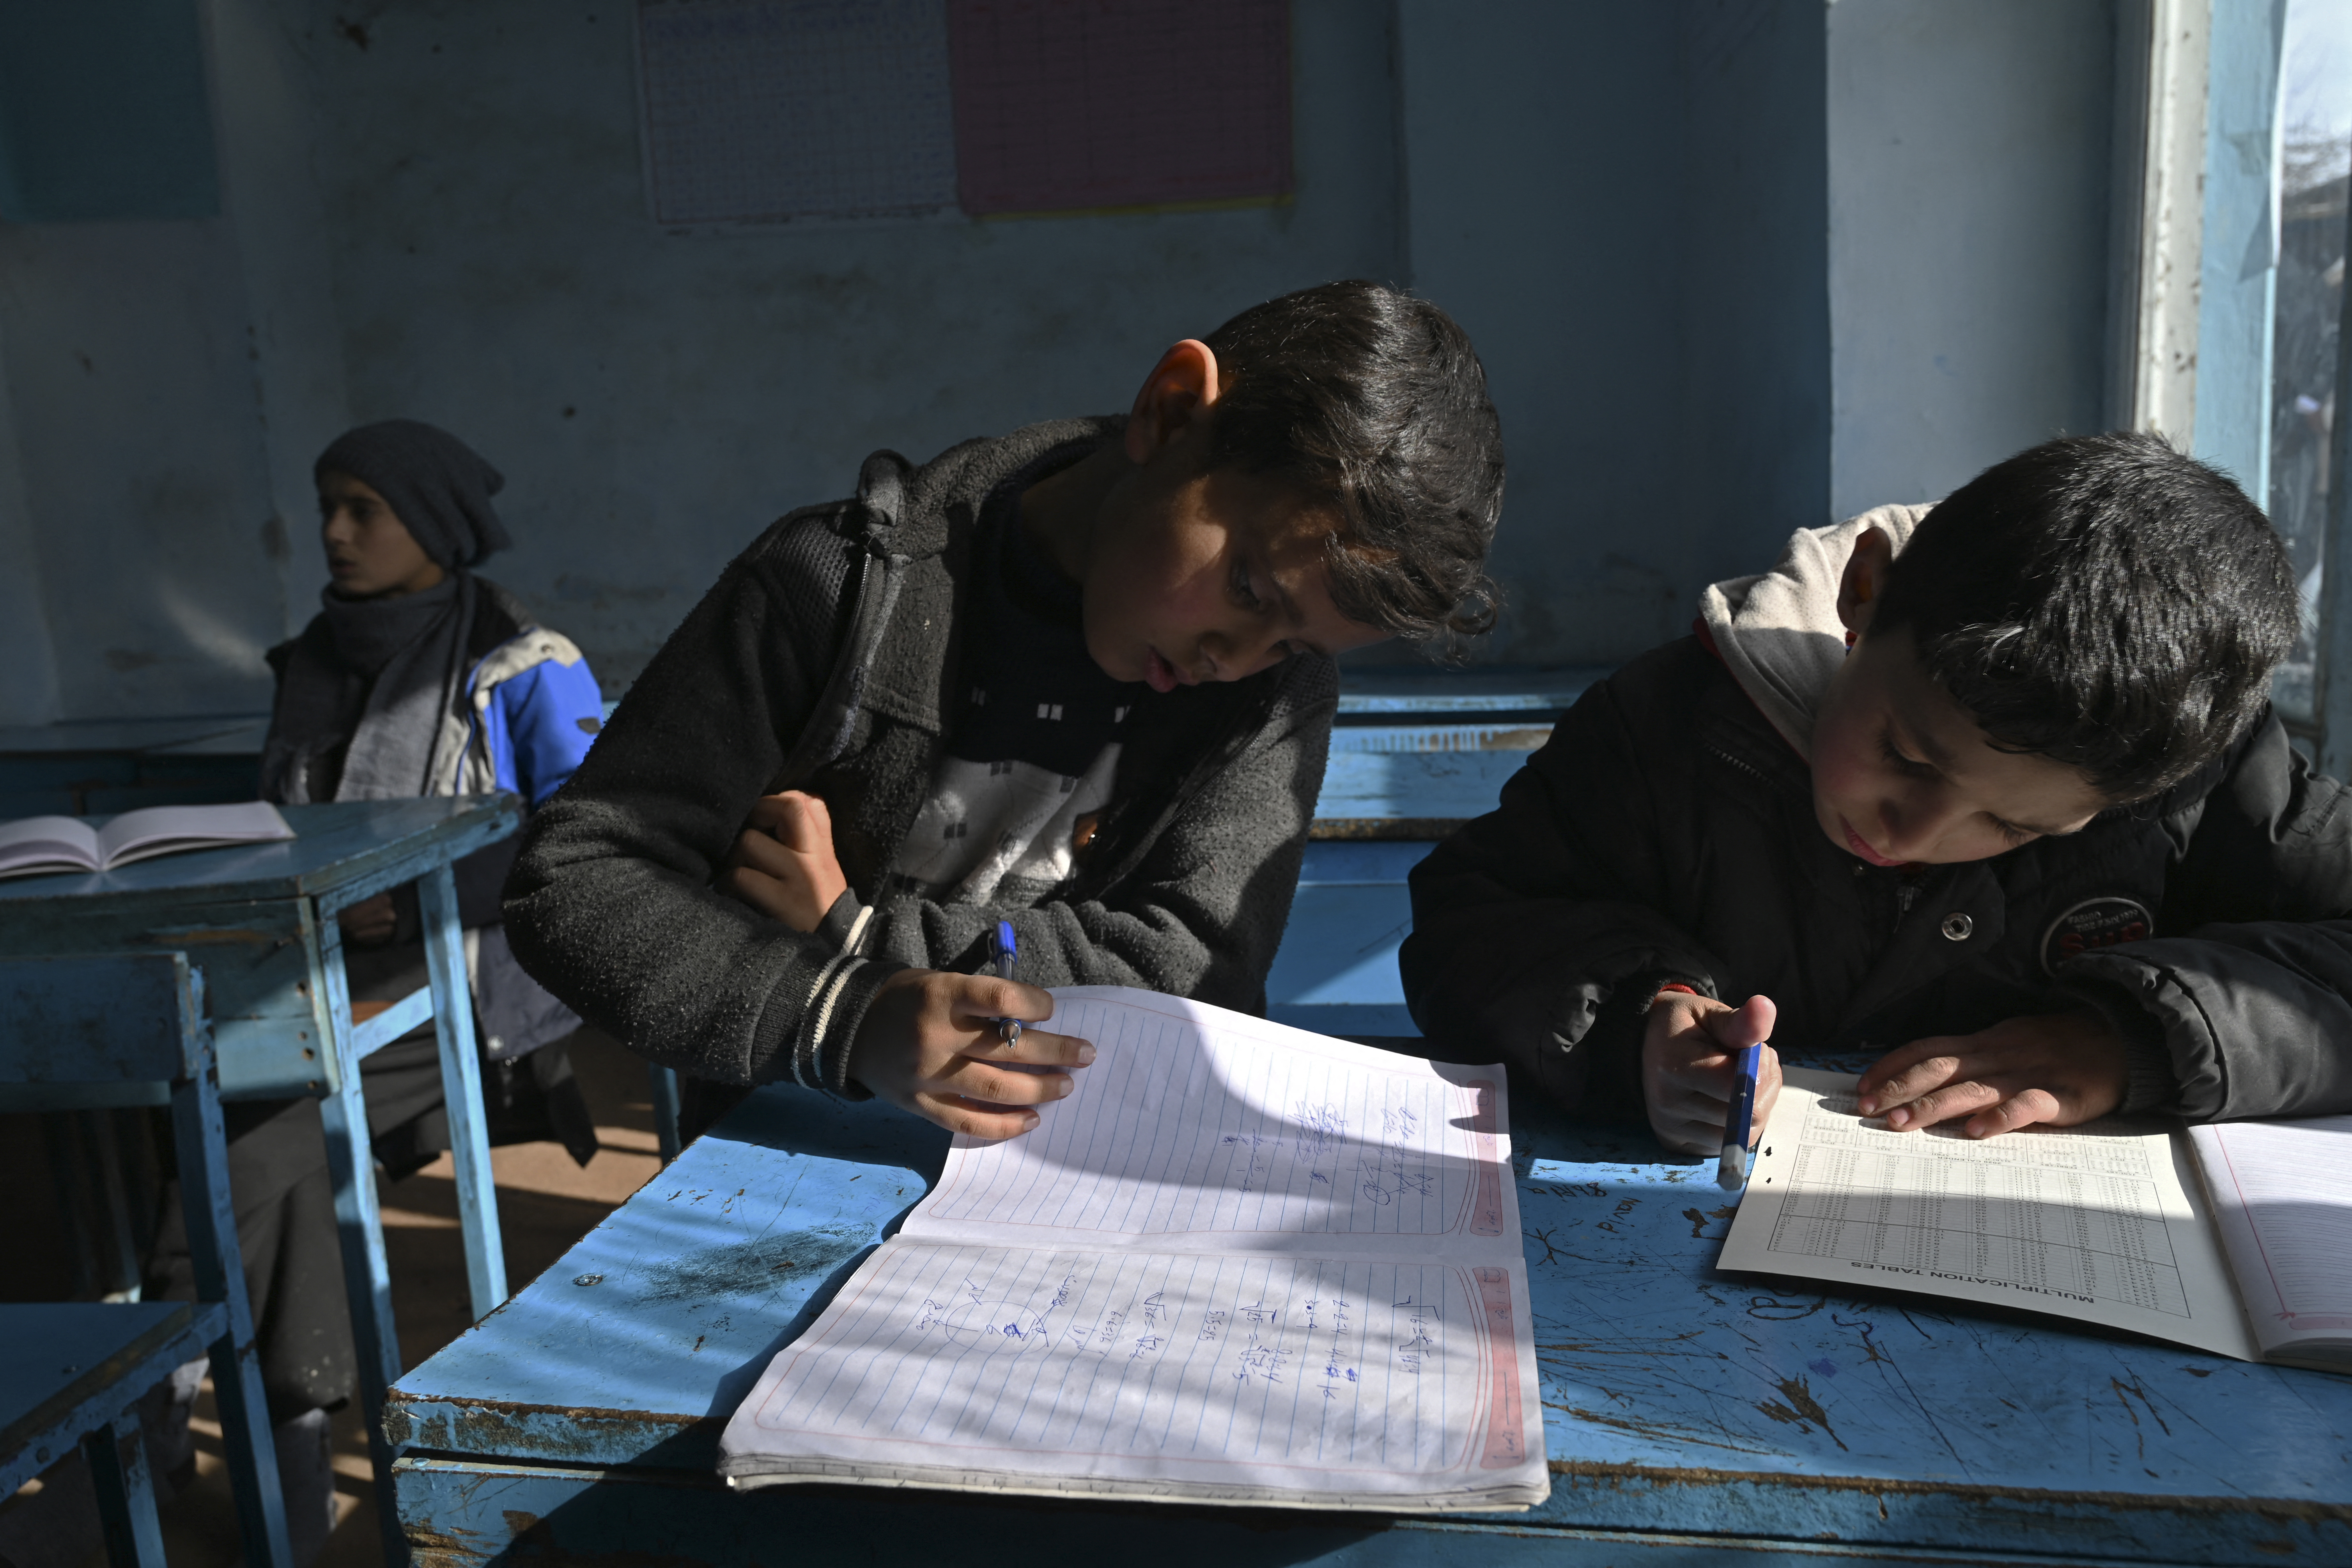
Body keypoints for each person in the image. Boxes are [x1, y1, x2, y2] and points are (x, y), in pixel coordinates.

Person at [504, 280, 1506, 1141]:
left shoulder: (1270, 699)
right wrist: (844, 1017)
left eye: (1292, 642)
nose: (1232, 660)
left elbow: (1191, 973)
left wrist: (859, 942)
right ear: (1167, 410)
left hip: (1073, 1174)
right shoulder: (840, 589)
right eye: (1246, 587)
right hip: (786, 1151)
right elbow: (580, 875)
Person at [1403, 431, 2352, 1159]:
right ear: (1862, 593)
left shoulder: (2198, 779)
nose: (1913, 831)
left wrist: (2135, 1041)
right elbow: (1467, 924)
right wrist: (1630, 1022)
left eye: (2013, 824)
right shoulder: (1668, 732)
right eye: (1907, 752)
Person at [141, 419, 605, 1565]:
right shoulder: (310, 660)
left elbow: (596, 832)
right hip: (315, 969)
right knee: (253, 1094)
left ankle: (183, 1384)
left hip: (470, 976)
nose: (336, 534)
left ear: (435, 526)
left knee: (256, 1090)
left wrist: (420, 886)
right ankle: (284, 1414)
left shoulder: (525, 662)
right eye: (327, 509)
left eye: (365, 510)